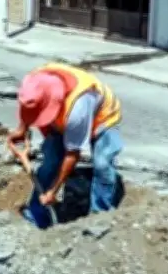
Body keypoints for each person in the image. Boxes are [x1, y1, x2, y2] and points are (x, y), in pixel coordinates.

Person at [7, 62, 124, 229]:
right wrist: (22, 129)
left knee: (102, 164)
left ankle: (99, 217)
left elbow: (73, 154)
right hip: (63, 118)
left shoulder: (78, 107)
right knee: (50, 163)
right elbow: (30, 106)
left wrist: (53, 191)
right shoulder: (34, 83)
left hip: (104, 118)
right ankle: (37, 215)